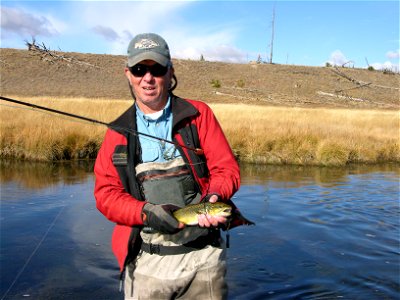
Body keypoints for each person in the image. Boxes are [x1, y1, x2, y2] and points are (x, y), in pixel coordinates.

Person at [94, 32, 240, 299]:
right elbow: (106, 195)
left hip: (204, 260)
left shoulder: (198, 116)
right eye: (139, 70)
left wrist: (214, 196)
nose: (147, 78)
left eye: (156, 69)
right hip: (146, 263)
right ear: (128, 73)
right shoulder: (117, 132)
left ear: (170, 71)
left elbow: (226, 169)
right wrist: (146, 212)